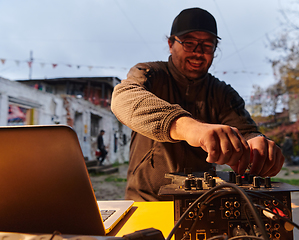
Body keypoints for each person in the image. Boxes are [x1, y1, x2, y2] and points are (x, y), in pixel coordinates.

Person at [111, 7, 284, 201]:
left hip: (201, 203)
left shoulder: (223, 93)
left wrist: (257, 145)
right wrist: (189, 127)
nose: (198, 53)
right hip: (146, 200)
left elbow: (246, 132)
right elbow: (123, 97)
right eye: (189, 43)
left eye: (207, 45)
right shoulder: (150, 73)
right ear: (170, 44)